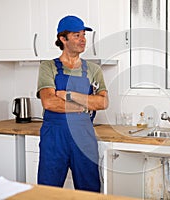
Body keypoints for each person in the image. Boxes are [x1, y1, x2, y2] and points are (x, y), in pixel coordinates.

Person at [36, 15, 108, 192]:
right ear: (63, 38)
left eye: (84, 35)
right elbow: (49, 102)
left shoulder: (93, 70)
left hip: (83, 136)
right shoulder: (48, 67)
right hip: (54, 137)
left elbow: (103, 102)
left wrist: (68, 95)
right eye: (77, 35)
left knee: (89, 191)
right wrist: (84, 106)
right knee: (48, 191)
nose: (83, 40)